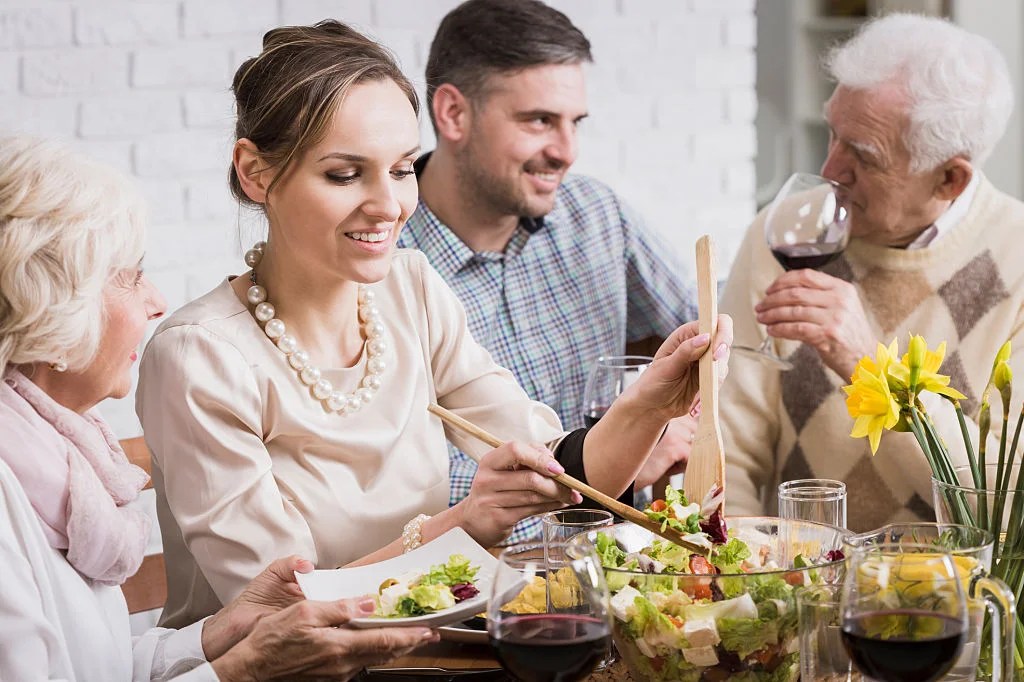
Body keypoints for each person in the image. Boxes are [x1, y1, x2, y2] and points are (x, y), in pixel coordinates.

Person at [136, 19, 733, 629]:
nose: (389, 205)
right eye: (345, 174)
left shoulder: (410, 287)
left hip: (422, 654)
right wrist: (463, 523)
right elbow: (284, 610)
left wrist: (647, 405)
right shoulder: (199, 357)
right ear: (255, 172)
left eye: (399, 170)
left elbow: (560, 473)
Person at [0, 136, 437, 681]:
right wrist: (244, 671)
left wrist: (229, 628)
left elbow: (100, 669)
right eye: (129, 274)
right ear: (46, 303)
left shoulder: (57, 454)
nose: (156, 301)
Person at [397, 0, 701, 542]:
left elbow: (710, 337)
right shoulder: (381, 268)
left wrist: (689, 400)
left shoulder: (597, 216)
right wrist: (619, 460)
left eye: (574, 123)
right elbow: (410, 497)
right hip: (477, 593)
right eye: (539, 120)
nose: (567, 151)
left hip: (624, 573)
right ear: (453, 114)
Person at [720, 13, 1024, 531]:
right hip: (801, 588)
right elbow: (727, 454)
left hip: (959, 599)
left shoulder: (1016, 260)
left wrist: (868, 368)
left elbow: (1004, 508)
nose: (830, 169)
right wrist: (735, 582)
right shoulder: (786, 234)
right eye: (833, 133)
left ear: (950, 178)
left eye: (862, 155)